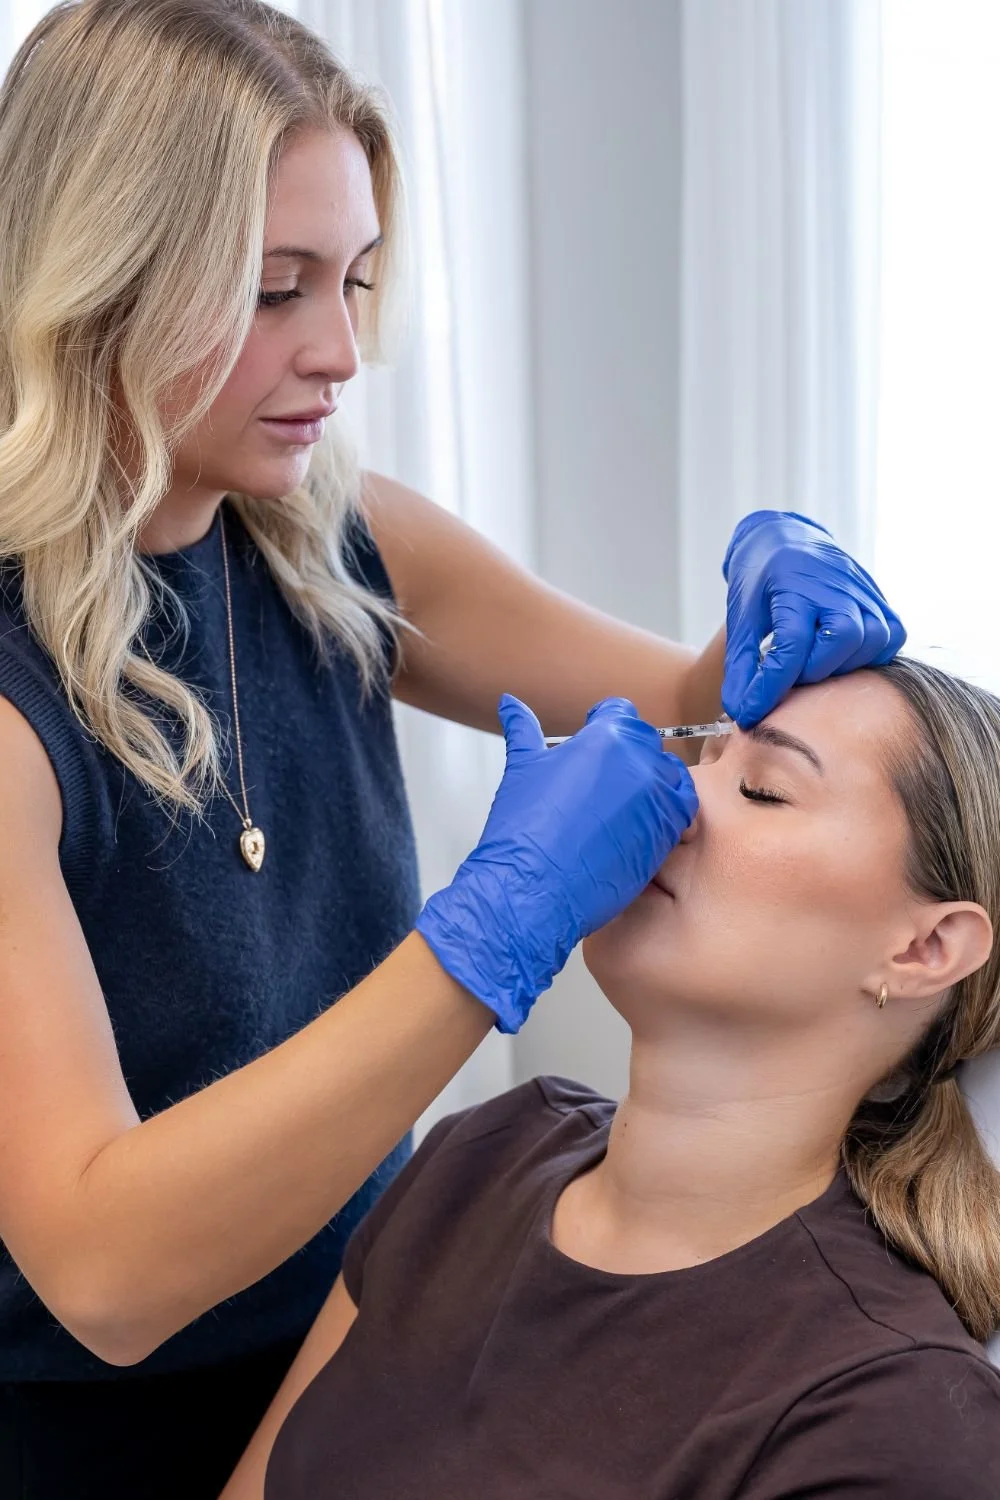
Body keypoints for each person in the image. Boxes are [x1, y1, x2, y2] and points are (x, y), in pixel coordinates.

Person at [0, 2, 904, 1496]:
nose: (342, 351)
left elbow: (695, 699)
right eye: (276, 289)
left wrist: (768, 619)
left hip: (369, 1357)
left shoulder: (335, 546)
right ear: (96, 277)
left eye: (353, 281)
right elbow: (104, 1270)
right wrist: (489, 940)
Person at [221, 657, 1000, 1499]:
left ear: (926, 950)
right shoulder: (479, 1156)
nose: (667, 799)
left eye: (764, 790)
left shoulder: (895, 1414)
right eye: (704, 758)